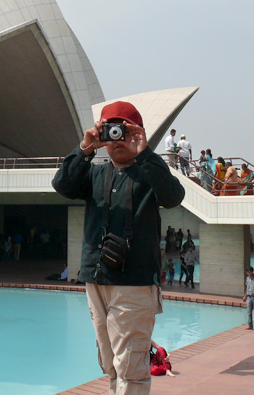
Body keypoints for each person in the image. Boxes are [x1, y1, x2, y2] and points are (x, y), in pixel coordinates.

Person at [51, 100, 184, 394]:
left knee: (132, 367)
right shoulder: (94, 173)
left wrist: (145, 152)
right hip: (96, 279)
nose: (116, 138)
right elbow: (62, 184)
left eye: (123, 131)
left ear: (136, 133)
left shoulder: (148, 173)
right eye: (110, 130)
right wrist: (85, 148)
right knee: (110, 362)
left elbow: (174, 195)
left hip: (134, 283)